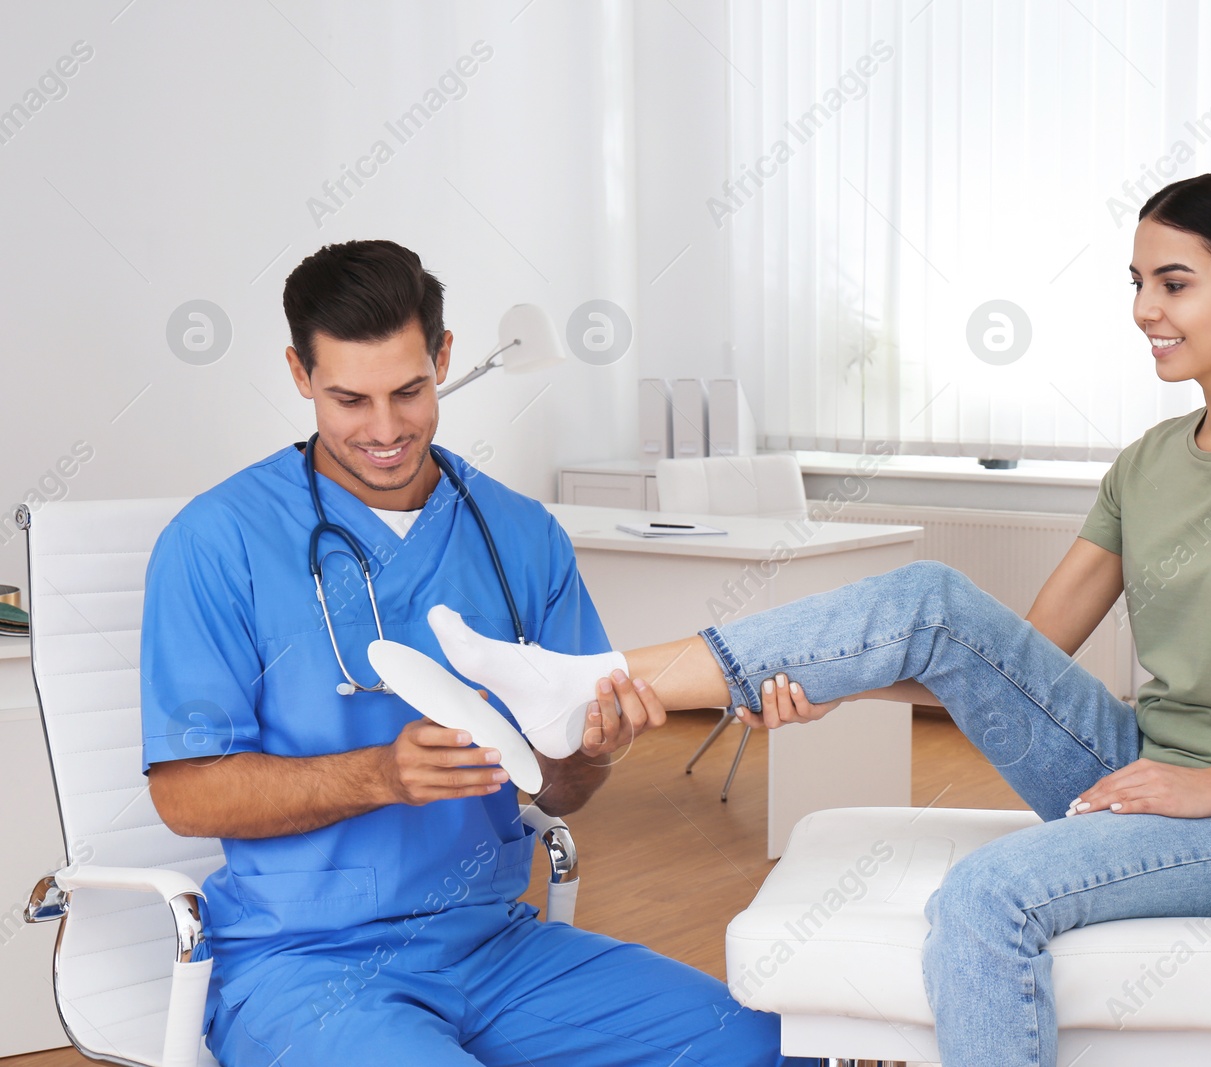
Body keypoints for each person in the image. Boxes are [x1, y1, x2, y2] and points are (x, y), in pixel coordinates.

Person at [417, 169, 1211, 1067]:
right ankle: (576, 682)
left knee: (987, 894)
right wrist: (831, 678)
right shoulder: (1148, 462)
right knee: (930, 598)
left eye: (1172, 282)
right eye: (1136, 283)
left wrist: (1208, 785)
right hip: (1138, 765)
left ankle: (566, 685)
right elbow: (1007, 660)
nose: (1144, 308)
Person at [140, 239, 812, 1066]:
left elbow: (559, 787)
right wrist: (379, 776)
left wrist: (594, 749)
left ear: (445, 358)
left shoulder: (520, 535)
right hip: (305, 965)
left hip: (495, 948)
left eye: (411, 391)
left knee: (765, 1046)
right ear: (298, 374)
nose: (385, 430)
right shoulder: (216, 542)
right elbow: (185, 796)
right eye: (350, 398)